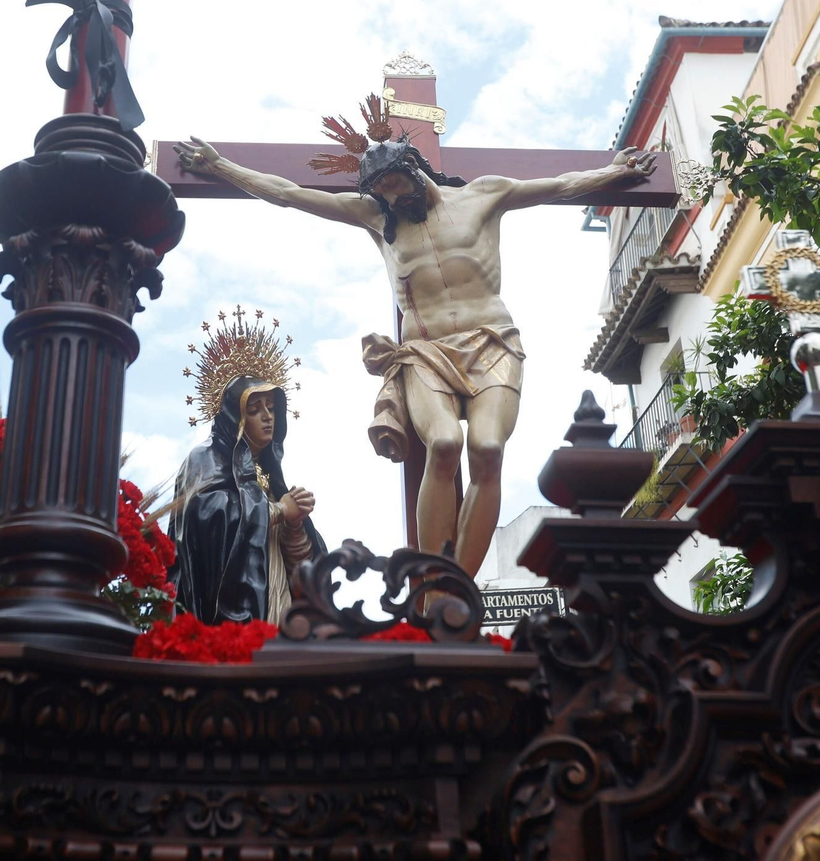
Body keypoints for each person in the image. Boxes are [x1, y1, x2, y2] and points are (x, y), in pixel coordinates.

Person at [175, 94, 654, 581]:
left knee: (487, 450)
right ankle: (432, 577)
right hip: (424, 353)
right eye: (380, 191)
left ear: (415, 168)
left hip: (491, 341)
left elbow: (561, 185)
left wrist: (612, 172)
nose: (389, 198)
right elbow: (288, 193)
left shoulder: (484, 196)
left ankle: (457, 585)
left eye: (395, 185)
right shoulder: (374, 218)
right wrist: (222, 167)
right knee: (444, 443)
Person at [170, 376, 325, 626]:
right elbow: (208, 519)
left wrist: (295, 527)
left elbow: (300, 571)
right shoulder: (205, 458)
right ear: (234, 417)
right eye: (254, 410)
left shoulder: (270, 478)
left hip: (277, 604)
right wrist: (277, 511)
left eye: (271, 408)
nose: (267, 416)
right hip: (230, 611)